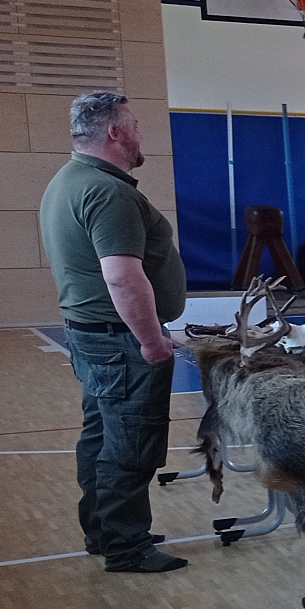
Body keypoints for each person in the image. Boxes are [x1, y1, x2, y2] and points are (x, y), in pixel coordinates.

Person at [40, 92, 188, 573]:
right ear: (115, 132)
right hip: (120, 342)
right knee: (131, 444)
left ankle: (105, 531)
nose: (141, 134)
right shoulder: (109, 192)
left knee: (101, 437)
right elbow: (122, 277)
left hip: (93, 336)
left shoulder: (68, 180)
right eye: (136, 125)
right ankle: (127, 546)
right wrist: (150, 341)